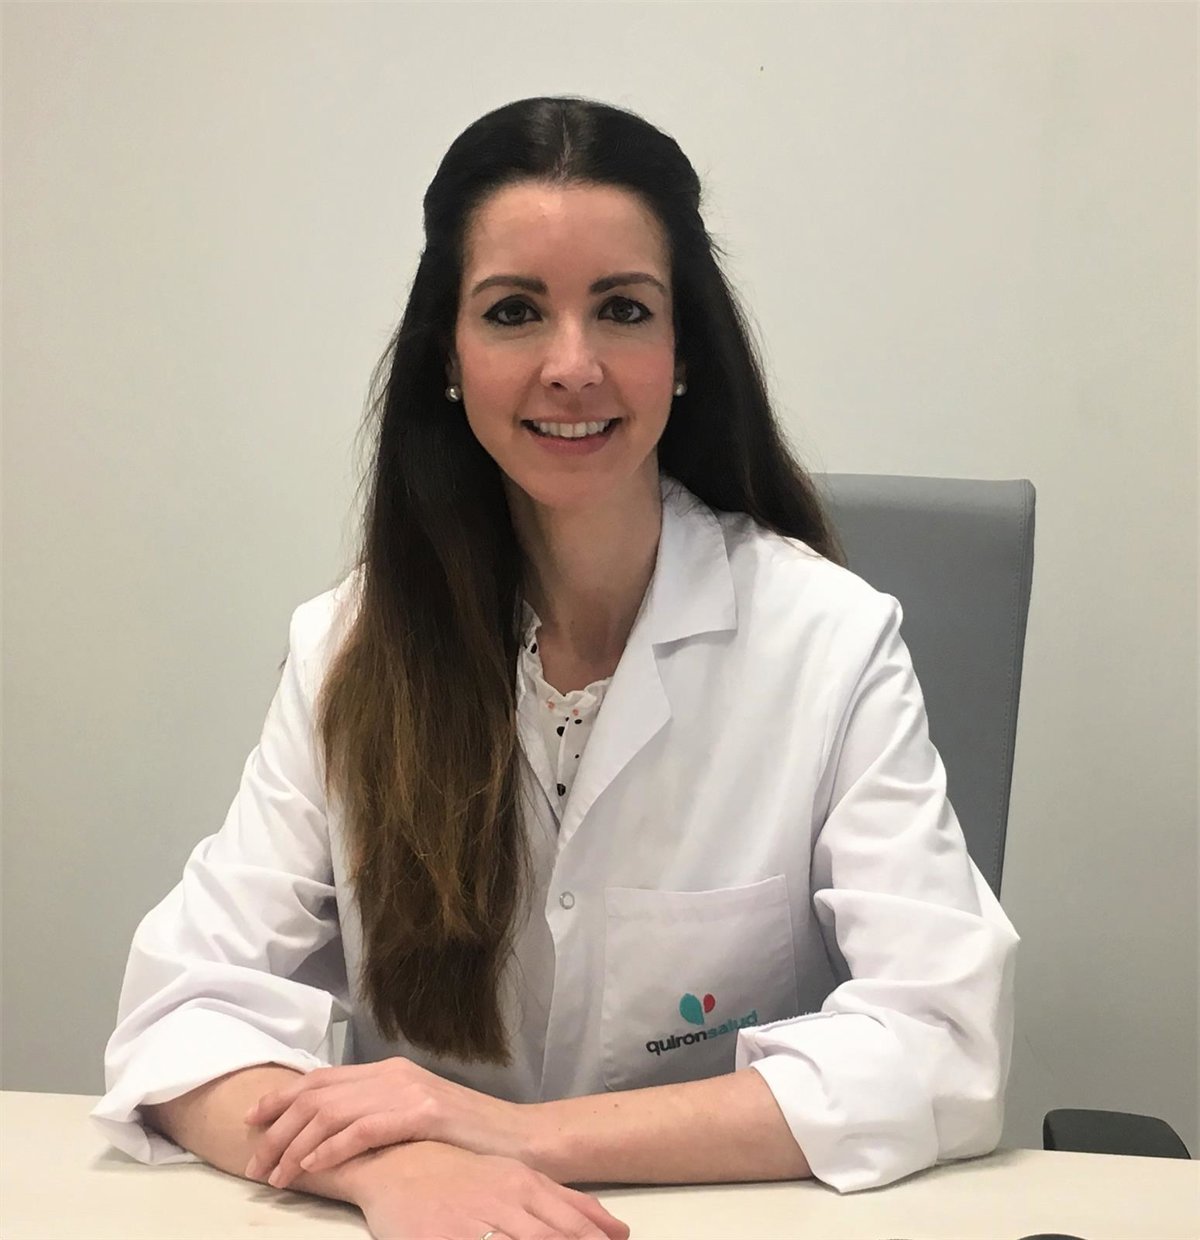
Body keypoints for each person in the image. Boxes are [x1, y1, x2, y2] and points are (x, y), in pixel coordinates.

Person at [92, 95, 1019, 1240]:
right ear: (448, 358)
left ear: (683, 352)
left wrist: (515, 1137)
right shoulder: (351, 648)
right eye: (515, 311)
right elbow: (183, 1018)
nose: (573, 366)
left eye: (623, 309)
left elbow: (940, 1043)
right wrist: (395, 1171)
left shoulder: (829, 639)